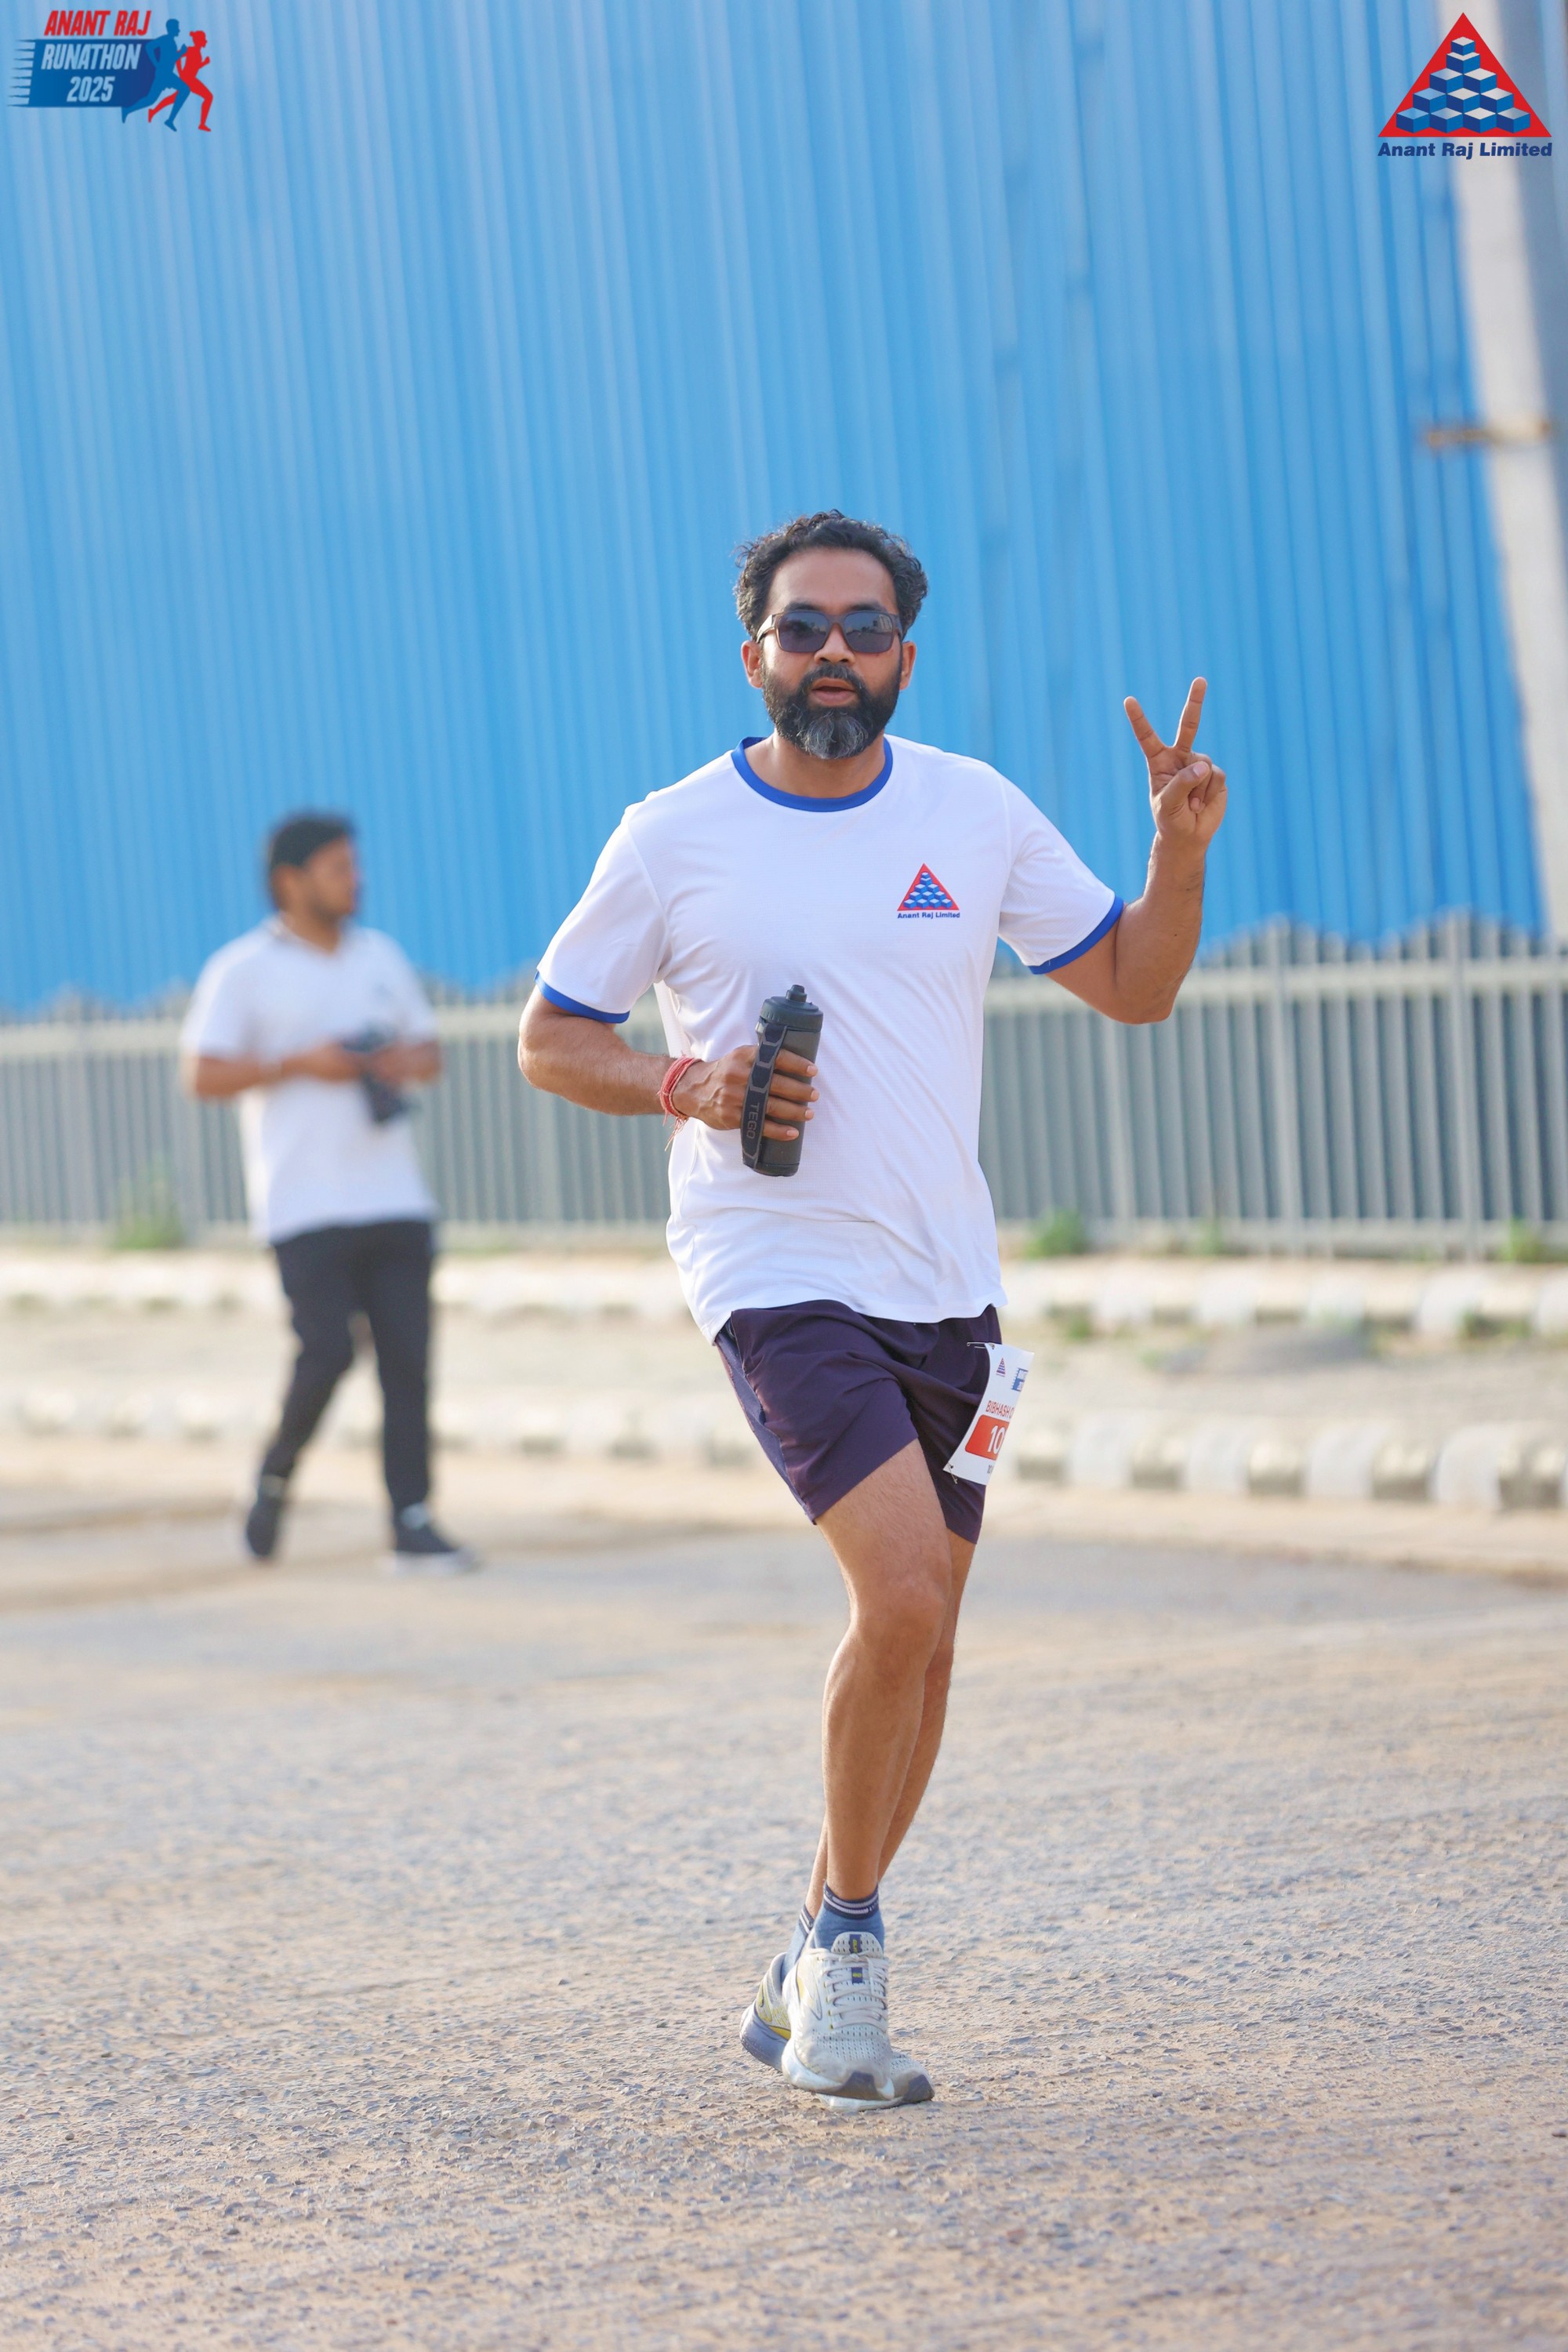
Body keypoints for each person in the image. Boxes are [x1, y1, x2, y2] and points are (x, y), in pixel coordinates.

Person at [517, 510, 1226, 2107]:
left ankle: (803, 1959)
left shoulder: (972, 812)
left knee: (932, 1640)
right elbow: (551, 1040)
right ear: (753, 653)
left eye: (864, 628)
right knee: (899, 1595)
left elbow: (1136, 987)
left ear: (905, 654)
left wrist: (1178, 855)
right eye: (803, 627)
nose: (833, 652)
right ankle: (845, 1962)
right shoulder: (672, 835)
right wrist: (682, 1084)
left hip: (948, 1283)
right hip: (772, 1265)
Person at [180, 813, 475, 1574]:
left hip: (394, 1197)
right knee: (327, 1351)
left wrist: (390, 1062)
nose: (356, 879)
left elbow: (430, 1054)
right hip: (303, 1204)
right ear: (291, 880)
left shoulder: (379, 957)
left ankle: (411, 1519)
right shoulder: (242, 970)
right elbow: (202, 1074)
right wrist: (297, 1063)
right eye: (339, 868)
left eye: (355, 865)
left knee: (407, 1360)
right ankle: (274, 1477)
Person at [151, 25, 212, 130]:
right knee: (208, 97)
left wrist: (204, 63)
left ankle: (153, 112)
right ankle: (201, 124)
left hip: (191, 79)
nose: (205, 41)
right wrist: (181, 72)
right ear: (199, 41)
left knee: (173, 99)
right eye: (204, 39)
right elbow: (177, 57)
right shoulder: (190, 50)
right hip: (188, 79)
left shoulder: (197, 52)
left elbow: (194, 67)